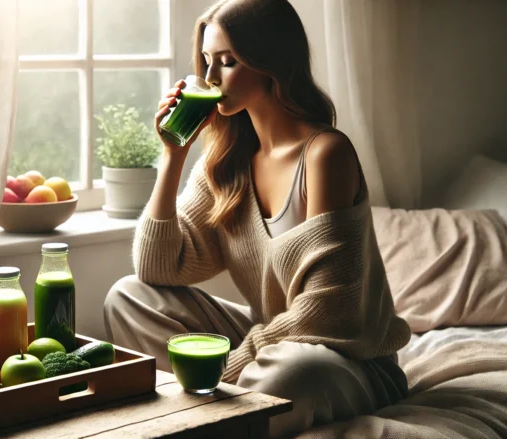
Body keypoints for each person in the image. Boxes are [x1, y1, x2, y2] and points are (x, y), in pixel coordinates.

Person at [103, 0, 412, 436]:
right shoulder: (226, 159)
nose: (210, 79)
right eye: (208, 61)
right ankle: (227, 410)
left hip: (346, 360)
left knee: (295, 370)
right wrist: (173, 154)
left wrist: (233, 364)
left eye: (228, 62)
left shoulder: (325, 153)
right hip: (269, 342)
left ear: (272, 62)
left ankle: (214, 412)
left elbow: (329, 313)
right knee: (128, 296)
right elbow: (157, 269)